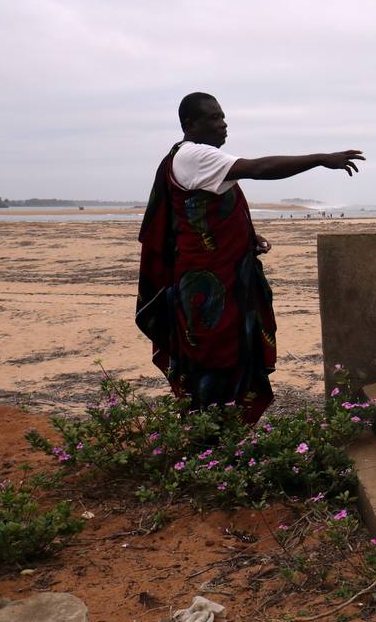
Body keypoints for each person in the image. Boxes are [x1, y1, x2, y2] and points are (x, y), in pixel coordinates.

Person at [137, 92, 363, 423]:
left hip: (220, 274)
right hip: (208, 282)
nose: (223, 123)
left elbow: (194, 214)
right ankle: (211, 437)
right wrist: (319, 158)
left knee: (231, 352)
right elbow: (258, 168)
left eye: (223, 116)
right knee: (216, 357)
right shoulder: (194, 155)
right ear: (191, 124)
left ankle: (223, 435)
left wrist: (246, 237)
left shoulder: (192, 159)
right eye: (214, 118)